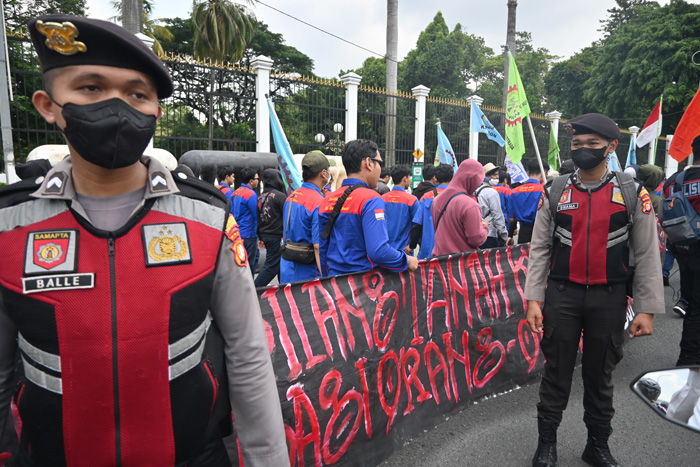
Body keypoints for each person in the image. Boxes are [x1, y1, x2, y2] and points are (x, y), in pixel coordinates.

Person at [0, 15, 288, 466]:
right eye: (91, 88)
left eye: (137, 93)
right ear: (48, 105)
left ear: (156, 110)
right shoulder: (9, 226)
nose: (116, 107)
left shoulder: (208, 217)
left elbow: (248, 356)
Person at [525, 113, 663, 467]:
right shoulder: (554, 191)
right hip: (561, 296)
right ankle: (546, 446)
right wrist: (533, 300)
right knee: (556, 373)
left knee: (600, 375)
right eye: (577, 145)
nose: (583, 150)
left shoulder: (632, 194)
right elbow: (539, 248)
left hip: (609, 298)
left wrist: (646, 308)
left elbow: (647, 254)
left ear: (611, 147)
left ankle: (597, 446)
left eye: (592, 145)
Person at [318, 139, 419, 276]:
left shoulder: (328, 200)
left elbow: (323, 248)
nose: (380, 169)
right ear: (368, 163)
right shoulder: (371, 199)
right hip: (363, 285)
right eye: (380, 163)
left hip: (335, 284)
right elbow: (378, 251)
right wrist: (406, 261)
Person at [663, 134, 700, 365]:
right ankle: (689, 360)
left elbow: (663, 215)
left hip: (682, 249)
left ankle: (688, 356)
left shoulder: (674, 180)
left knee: (692, 303)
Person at [280, 151, 333, 283]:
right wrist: (326, 278)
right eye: (328, 170)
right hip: (308, 273)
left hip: (288, 266)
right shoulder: (318, 202)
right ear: (323, 173)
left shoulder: (291, 197)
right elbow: (317, 246)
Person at [431, 159, 489, 255]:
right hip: (462, 264)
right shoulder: (470, 205)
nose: (477, 186)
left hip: (440, 262)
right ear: (472, 180)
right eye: (479, 182)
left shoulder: (437, 200)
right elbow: (476, 239)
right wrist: (484, 227)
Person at [254, 168, 286, 287]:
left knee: (279, 264)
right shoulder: (279, 196)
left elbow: (258, 217)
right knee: (271, 266)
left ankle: (283, 286)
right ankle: (255, 289)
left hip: (265, 235)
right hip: (276, 237)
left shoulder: (261, 196)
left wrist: (260, 235)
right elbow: (287, 216)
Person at [415, 163, 453, 259]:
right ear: (452, 178)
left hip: (428, 251)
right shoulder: (458, 197)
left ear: (435, 178)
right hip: (451, 253)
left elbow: (417, 223)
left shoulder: (426, 197)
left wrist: (412, 245)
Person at [382, 164, 421, 252]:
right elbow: (417, 225)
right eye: (409, 178)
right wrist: (412, 246)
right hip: (404, 250)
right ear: (404, 179)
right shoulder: (412, 200)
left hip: (385, 249)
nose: (410, 180)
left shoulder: (382, 199)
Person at [511, 158, 549, 244]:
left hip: (523, 232)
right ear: (545, 173)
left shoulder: (514, 192)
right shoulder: (545, 190)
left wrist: (510, 235)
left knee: (523, 256)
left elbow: (511, 218)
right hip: (541, 232)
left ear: (528, 173)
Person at [232, 167, 260, 276]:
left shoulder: (235, 192)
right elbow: (256, 215)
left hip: (237, 234)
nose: (258, 180)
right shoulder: (251, 195)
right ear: (251, 181)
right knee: (250, 265)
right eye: (257, 178)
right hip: (249, 235)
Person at [475, 163, 510, 248]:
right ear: (486, 176)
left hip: (476, 233)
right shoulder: (491, 192)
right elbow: (497, 215)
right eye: (494, 175)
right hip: (489, 234)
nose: (497, 178)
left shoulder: (475, 190)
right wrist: (504, 235)